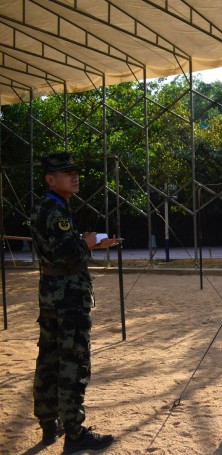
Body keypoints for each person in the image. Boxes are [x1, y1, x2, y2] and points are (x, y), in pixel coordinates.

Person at [30, 153, 117, 452]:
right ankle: (75, 433)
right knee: (73, 362)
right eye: (66, 172)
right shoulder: (58, 211)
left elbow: (57, 248)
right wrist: (88, 243)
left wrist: (87, 241)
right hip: (69, 297)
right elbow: (68, 254)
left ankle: (47, 422)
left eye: (75, 171)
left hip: (51, 293)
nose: (74, 176)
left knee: (49, 358)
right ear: (50, 179)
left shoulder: (46, 207)